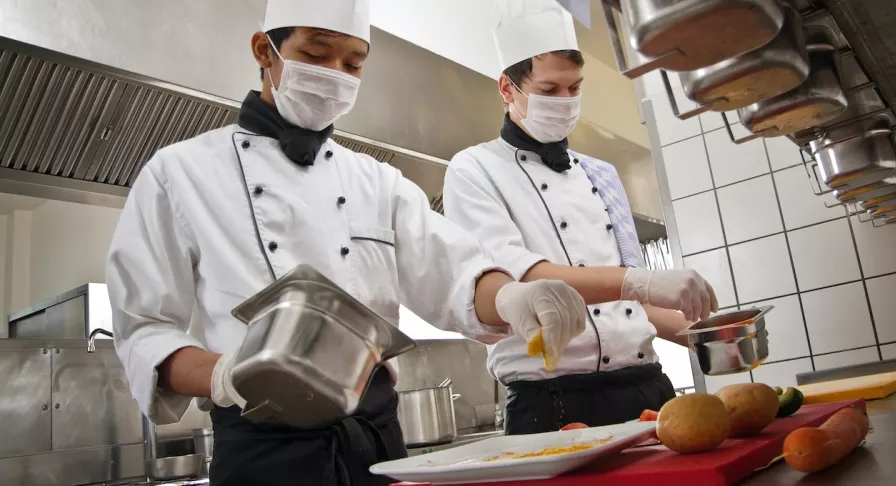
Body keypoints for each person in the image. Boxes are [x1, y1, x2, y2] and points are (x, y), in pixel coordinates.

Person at [106, 1, 589, 484]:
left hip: (377, 445)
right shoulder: (180, 174)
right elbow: (145, 329)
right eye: (316, 55)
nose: (336, 74)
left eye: (353, 63)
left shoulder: (376, 181)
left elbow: (455, 273)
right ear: (264, 50)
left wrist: (512, 295)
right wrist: (225, 374)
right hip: (262, 455)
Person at [442, 0, 719, 435]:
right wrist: (635, 279)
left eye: (575, 88)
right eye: (550, 91)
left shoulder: (601, 174)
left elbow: (635, 305)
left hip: (649, 388)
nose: (566, 102)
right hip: (554, 404)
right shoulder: (473, 169)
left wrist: (713, 336)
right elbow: (526, 281)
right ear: (507, 88)